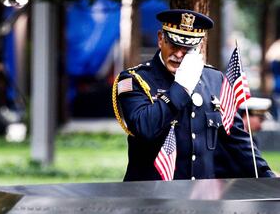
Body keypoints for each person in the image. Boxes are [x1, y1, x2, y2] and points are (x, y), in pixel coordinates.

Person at [113, 9, 275, 181]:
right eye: (174, 45)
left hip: (202, 194)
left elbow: (237, 139)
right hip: (152, 193)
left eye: (188, 49)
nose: (178, 55)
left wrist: (268, 177)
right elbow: (143, 128)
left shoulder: (214, 79)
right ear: (161, 39)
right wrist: (180, 87)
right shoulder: (135, 79)